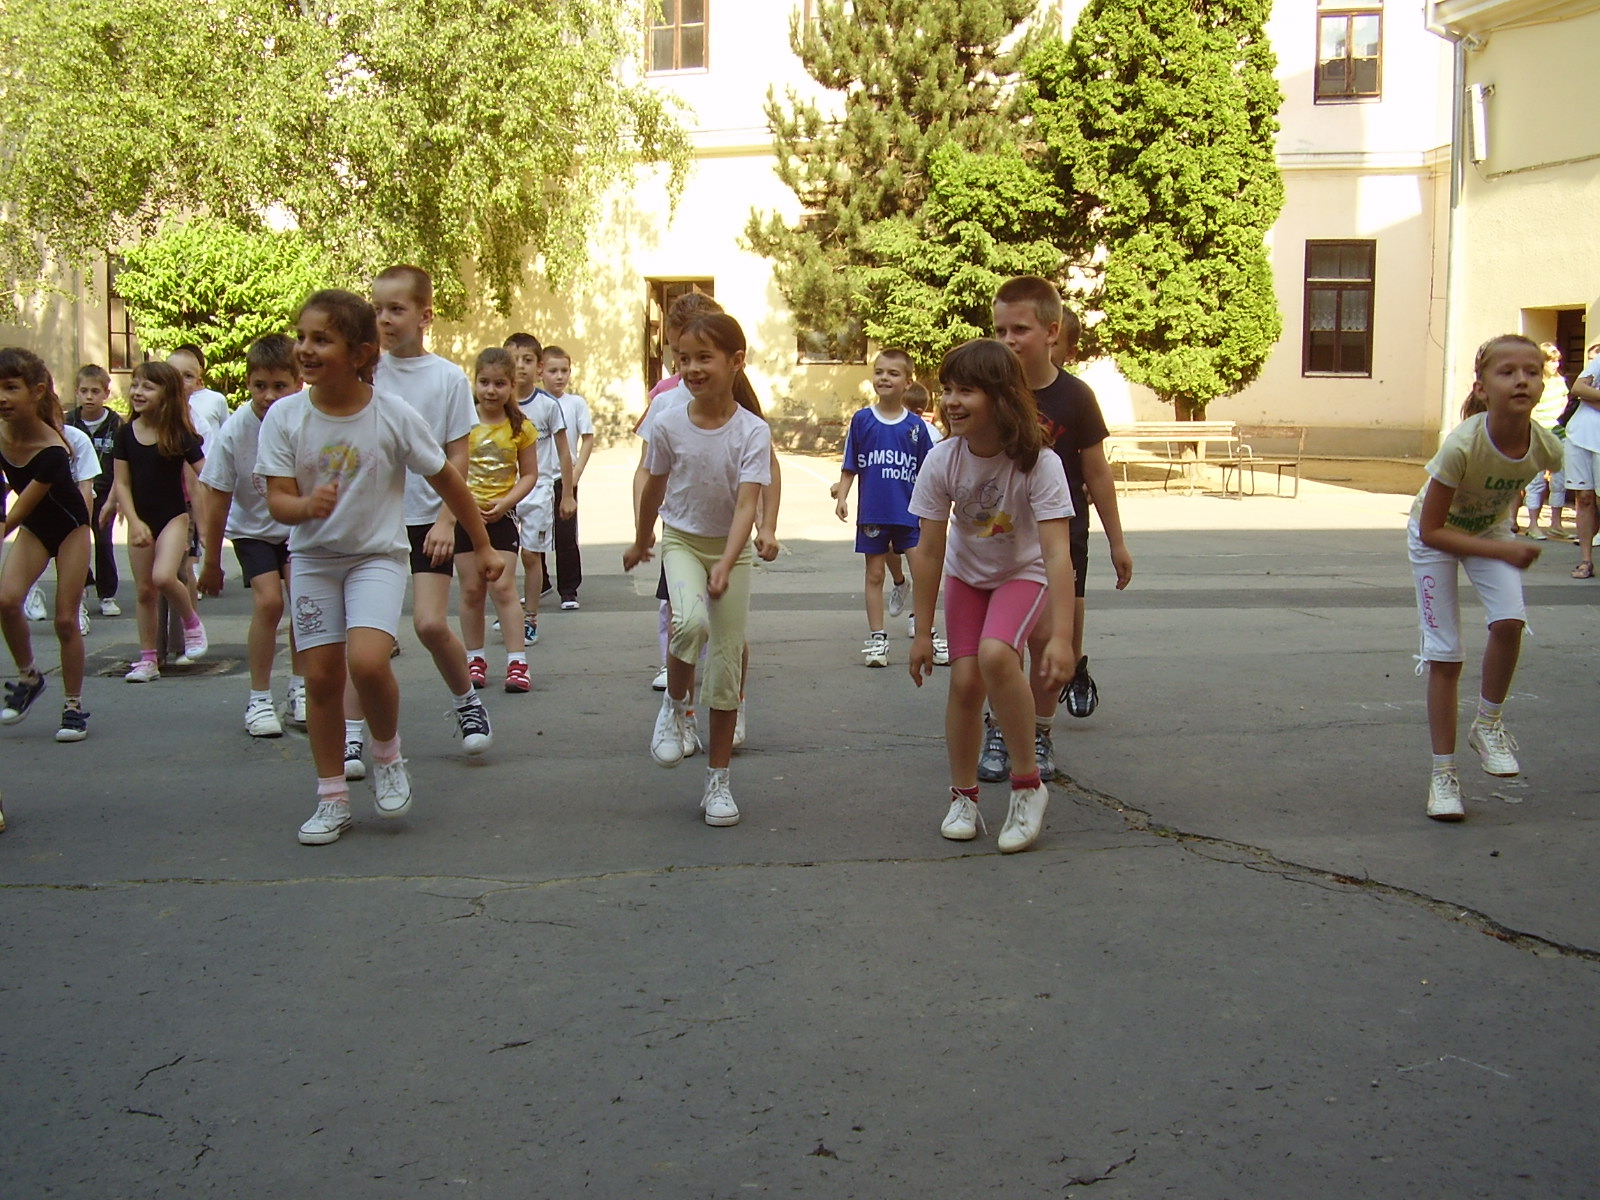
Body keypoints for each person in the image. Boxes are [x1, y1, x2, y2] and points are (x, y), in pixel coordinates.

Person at [256, 289, 499, 846]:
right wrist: (306, 506)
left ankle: (387, 756)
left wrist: (483, 546)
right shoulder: (286, 417)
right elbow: (277, 500)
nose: (305, 349)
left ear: (360, 353)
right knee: (320, 677)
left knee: (367, 662)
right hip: (313, 560)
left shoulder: (391, 414)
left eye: (321, 339)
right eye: (302, 337)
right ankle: (331, 797)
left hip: (376, 558)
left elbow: (448, 479)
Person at [906, 338, 1076, 853]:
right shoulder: (943, 460)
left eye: (967, 391)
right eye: (948, 389)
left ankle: (1027, 787)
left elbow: (1057, 554)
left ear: (1001, 397)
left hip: (1021, 573)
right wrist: (921, 632)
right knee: (964, 681)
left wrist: (1062, 636)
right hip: (967, 576)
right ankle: (964, 797)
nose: (951, 401)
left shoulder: (1039, 463)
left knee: (997, 653)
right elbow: (929, 550)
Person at [340, 265, 494, 778]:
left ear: (425, 316)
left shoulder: (446, 377)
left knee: (429, 624)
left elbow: (457, 456)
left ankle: (467, 701)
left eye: (396, 309)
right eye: (377, 309)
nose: (384, 319)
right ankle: (351, 735)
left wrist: (447, 521)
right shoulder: (364, 372)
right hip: (372, 522)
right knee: (365, 636)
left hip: (428, 519)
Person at [624, 312, 777, 827]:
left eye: (704, 358)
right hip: (683, 541)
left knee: (727, 666)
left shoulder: (753, 430)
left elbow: (747, 504)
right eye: (683, 358)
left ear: (736, 362)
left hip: (731, 550)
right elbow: (654, 486)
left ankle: (719, 783)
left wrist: (728, 562)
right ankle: (674, 707)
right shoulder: (668, 422)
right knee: (689, 622)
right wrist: (641, 537)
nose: (691, 368)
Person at [981, 276, 1133, 782]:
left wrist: (1117, 541)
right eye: (1000, 329)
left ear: (1051, 332)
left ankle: (1040, 732)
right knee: (1003, 645)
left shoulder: (1076, 397)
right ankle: (1001, 728)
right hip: (1001, 537)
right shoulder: (991, 393)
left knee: (1050, 640)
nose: (1008, 340)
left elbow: (1097, 473)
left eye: (1019, 329)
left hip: (1062, 539)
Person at [1410, 335, 1561, 821]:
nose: (1522, 380)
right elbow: (1433, 530)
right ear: (1482, 387)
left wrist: (1503, 534)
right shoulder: (1462, 445)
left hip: (1489, 531)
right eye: (1507, 372)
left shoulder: (1546, 446)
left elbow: (1518, 483)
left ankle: (1488, 723)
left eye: (1532, 371)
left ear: (1543, 384)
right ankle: (1443, 776)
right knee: (1445, 654)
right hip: (1434, 536)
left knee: (1510, 621)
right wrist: (1504, 547)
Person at [196, 334, 307, 736]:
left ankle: (301, 687)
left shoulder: (309, 419)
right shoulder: (235, 432)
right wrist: (211, 562)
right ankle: (259, 698)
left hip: (297, 528)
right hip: (253, 530)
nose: (269, 396)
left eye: (280, 386)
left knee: (305, 602)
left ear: (299, 383)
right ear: (247, 384)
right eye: (260, 386)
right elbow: (218, 498)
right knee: (269, 602)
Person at [0, 348, 93, 742]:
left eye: (11, 388)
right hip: (36, 529)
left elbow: (21, 507)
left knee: (65, 620)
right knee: (6, 601)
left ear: (36, 391)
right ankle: (29, 677)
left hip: (70, 528)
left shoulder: (53, 449)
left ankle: (73, 706)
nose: (2, 397)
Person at [834, 348, 937, 667]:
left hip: (909, 514)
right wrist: (842, 496)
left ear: (908, 382)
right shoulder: (862, 420)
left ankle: (926, 630)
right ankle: (877, 639)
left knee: (923, 572)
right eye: (879, 372)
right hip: (873, 513)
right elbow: (851, 463)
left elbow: (930, 471)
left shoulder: (916, 427)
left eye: (893, 373)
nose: (884, 378)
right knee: (875, 574)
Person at [110, 360, 207, 681]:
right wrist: (133, 521)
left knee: (164, 577)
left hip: (173, 518)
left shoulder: (178, 434)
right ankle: (148, 660)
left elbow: (206, 472)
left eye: (148, 387)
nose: (138, 392)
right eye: (135, 385)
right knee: (144, 591)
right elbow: (122, 483)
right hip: (140, 519)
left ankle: (192, 622)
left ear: (167, 394)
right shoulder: (125, 434)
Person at [457, 347, 537, 693]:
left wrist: (506, 503)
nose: (491, 390)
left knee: (503, 587)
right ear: (475, 383)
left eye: (499, 384)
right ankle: (474, 659)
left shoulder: (521, 428)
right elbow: (450, 469)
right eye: (484, 382)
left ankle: (517, 662)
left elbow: (529, 474)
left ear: (511, 386)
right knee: (472, 590)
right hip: (465, 518)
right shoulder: (462, 424)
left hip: (501, 518)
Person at [503, 332, 575, 646]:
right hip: (502, 492)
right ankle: (507, 610)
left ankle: (530, 616)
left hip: (539, 490)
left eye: (527, 360)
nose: (520, 366)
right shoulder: (496, 402)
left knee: (531, 555)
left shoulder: (547, 405)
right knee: (502, 558)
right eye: (513, 360)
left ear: (539, 366)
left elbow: (564, 452)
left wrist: (567, 494)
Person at [65, 365, 123, 617]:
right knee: (76, 544)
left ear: (106, 394)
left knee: (103, 543)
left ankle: (107, 594)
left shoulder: (116, 424)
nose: (89, 396)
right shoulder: (68, 422)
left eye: (95, 391)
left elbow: (122, 464)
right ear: (77, 392)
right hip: (74, 493)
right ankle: (82, 585)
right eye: (84, 391)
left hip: (104, 494)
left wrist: (118, 497)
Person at [541, 345, 593, 610]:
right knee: (535, 533)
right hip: (537, 478)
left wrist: (577, 472)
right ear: (541, 372)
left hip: (564, 479)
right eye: (553, 371)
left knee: (566, 535)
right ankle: (540, 582)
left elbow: (587, 438)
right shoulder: (535, 402)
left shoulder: (575, 404)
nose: (559, 376)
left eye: (564, 370)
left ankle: (569, 590)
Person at [1522, 342, 1573, 541]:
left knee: (1560, 479)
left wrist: (1560, 413)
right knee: (1536, 480)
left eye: (1557, 360)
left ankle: (1556, 524)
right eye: (1551, 361)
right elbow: (1529, 408)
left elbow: (1565, 402)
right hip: (1538, 432)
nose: (1555, 364)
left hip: (1558, 432)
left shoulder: (1560, 382)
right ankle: (1533, 525)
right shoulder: (1533, 382)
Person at [1564, 343, 1600, 578]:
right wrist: (1587, 396)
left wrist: (1591, 396)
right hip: (1579, 435)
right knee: (1584, 498)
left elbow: (1585, 393)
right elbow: (1578, 388)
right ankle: (1586, 561)